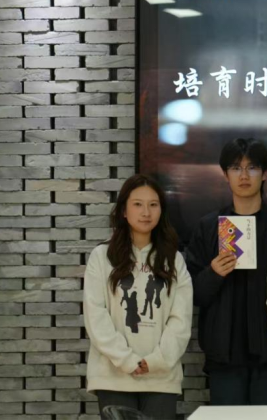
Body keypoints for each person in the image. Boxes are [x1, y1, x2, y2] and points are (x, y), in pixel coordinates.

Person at [185, 138, 267, 405]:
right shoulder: (208, 227)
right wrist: (213, 273)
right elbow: (192, 294)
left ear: (266, 173)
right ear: (225, 174)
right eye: (236, 168)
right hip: (224, 354)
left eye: (252, 168)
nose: (244, 176)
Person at [84, 174, 192, 419]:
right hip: (113, 377)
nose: (146, 212)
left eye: (153, 204)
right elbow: (96, 316)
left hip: (161, 378)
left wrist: (156, 361)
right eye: (137, 204)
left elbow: (181, 320)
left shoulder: (174, 260)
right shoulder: (101, 257)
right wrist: (126, 360)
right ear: (124, 210)